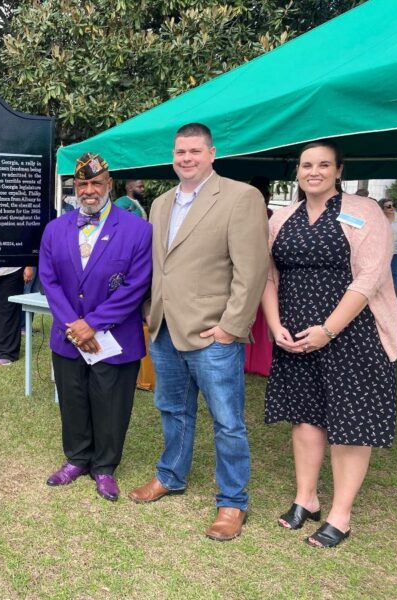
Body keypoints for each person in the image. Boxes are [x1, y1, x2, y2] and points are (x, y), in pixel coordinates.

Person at [130, 123, 269, 542]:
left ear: (212, 154)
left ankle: (232, 502)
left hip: (213, 334)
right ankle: (170, 475)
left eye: (194, 151)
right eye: (179, 152)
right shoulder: (160, 203)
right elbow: (160, 264)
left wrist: (231, 327)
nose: (185, 158)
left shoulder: (241, 197)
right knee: (172, 409)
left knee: (227, 421)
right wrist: (151, 311)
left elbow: (252, 269)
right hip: (166, 329)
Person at [262, 141, 397, 548]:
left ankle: (341, 513)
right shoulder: (282, 217)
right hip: (296, 336)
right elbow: (268, 276)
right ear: (298, 172)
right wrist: (273, 324)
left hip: (352, 333)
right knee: (305, 418)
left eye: (324, 164)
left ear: (339, 171)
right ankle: (307, 499)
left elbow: (369, 278)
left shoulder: (364, 211)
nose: (314, 171)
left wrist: (329, 328)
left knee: (350, 424)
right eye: (307, 165)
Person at [39, 152, 153, 502]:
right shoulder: (55, 229)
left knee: (111, 401)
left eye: (96, 183)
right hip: (69, 336)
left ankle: (104, 467)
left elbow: (138, 284)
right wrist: (75, 326)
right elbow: (49, 279)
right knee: (73, 398)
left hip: (115, 337)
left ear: (109, 185)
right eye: (82, 184)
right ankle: (76, 458)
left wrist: (94, 324)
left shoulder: (137, 229)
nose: (89, 190)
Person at [244, 175, 275, 377]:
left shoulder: (245, 214)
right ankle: (262, 362)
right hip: (265, 269)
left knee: (247, 314)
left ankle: (247, 360)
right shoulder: (271, 215)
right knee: (263, 317)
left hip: (246, 268)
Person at [379, 198, 397, 289]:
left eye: (393, 205)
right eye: (389, 206)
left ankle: (392, 295)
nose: (392, 208)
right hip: (381, 251)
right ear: (382, 208)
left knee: (394, 274)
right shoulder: (378, 218)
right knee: (381, 274)